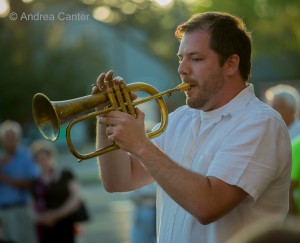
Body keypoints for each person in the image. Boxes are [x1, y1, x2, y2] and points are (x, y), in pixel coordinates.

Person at [92, 12, 291, 243]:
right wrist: (105, 116)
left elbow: (208, 205)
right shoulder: (179, 119)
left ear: (230, 64)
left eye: (195, 59)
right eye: (180, 58)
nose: (182, 70)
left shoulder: (260, 123)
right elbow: (119, 181)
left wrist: (141, 145)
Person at [30, 140, 81, 243]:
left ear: (51, 156)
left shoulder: (65, 174)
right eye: (39, 160)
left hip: (66, 223)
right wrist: (42, 219)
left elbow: (75, 198)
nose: (43, 162)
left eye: (45, 158)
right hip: (45, 227)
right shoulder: (35, 182)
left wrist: (57, 214)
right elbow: (31, 207)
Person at [0, 120, 39, 243]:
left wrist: (5, 178)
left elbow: (32, 183)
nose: (10, 140)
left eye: (13, 136)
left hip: (23, 209)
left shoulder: (27, 155)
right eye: (7, 137)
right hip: (3, 212)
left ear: (19, 137)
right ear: (2, 139)